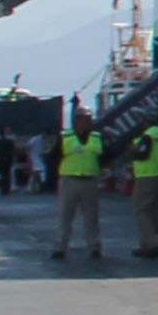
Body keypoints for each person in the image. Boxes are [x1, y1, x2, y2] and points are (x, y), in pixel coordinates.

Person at [52, 112, 107, 262]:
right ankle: (60, 247)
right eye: (86, 119)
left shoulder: (97, 136)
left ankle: (94, 246)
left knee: (91, 216)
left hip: (90, 180)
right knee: (65, 215)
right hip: (70, 179)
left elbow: (105, 156)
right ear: (77, 120)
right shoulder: (65, 137)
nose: (89, 122)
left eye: (90, 118)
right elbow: (54, 156)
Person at [129, 122, 158, 258]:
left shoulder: (148, 136)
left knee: (141, 210)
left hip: (146, 176)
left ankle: (152, 242)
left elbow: (141, 155)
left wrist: (133, 151)